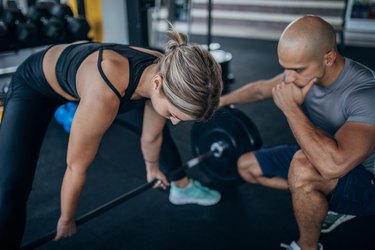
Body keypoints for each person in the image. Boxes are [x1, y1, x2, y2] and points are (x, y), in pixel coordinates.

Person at [0, 26, 223, 249]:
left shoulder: (164, 69)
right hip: (34, 86)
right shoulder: (104, 95)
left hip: (83, 78)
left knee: (159, 122)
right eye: (174, 114)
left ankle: (181, 186)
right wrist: (66, 219)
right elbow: (75, 167)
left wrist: (152, 167)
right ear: (157, 84)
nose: (175, 122)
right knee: (12, 186)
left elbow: (152, 136)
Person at [221, 15, 375, 250]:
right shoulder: (305, 73)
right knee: (246, 166)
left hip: (365, 178)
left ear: (328, 57)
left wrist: (291, 108)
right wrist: (220, 102)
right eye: (285, 69)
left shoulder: (365, 93)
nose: (289, 78)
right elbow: (260, 90)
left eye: (297, 69)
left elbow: (334, 166)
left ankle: (307, 246)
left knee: (302, 167)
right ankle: (324, 199)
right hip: (322, 150)